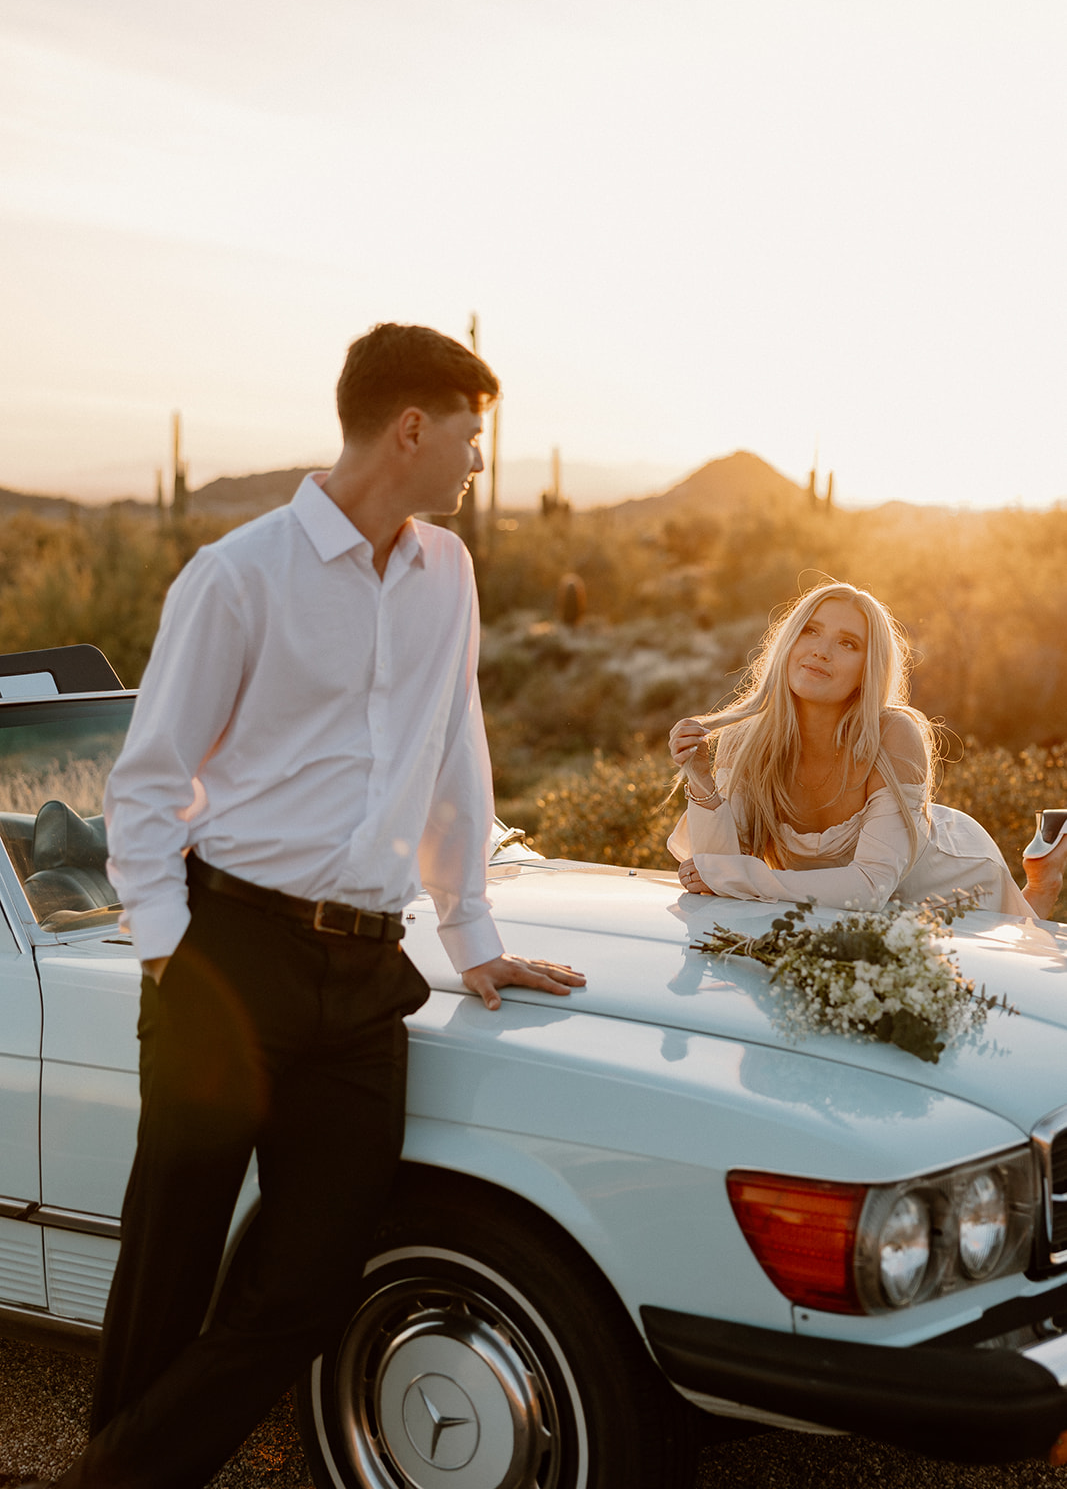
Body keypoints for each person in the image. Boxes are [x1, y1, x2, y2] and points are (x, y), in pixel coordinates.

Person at [50, 323, 586, 1489]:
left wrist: (473, 932)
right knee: (169, 1266)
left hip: (361, 981)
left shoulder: (449, 573)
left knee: (307, 1280)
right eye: (468, 436)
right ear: (410, 428)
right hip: (225, 950)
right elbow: (146, 784)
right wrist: (171, 956)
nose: (477, 466)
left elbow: (455, 751)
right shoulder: (238, 576)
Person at [667, 580, 1067, 919]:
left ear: (867, 668)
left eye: (847, 643)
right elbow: (713, 871)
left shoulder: (894, 734)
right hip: (838, 906)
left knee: (1007, 963)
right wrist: (701, 780)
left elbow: (870, 887)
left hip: (947, 881)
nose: (822, 651)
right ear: (788, 642)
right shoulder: (745, 737)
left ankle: (1040, 883)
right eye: (810, 631)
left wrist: (734, 877)